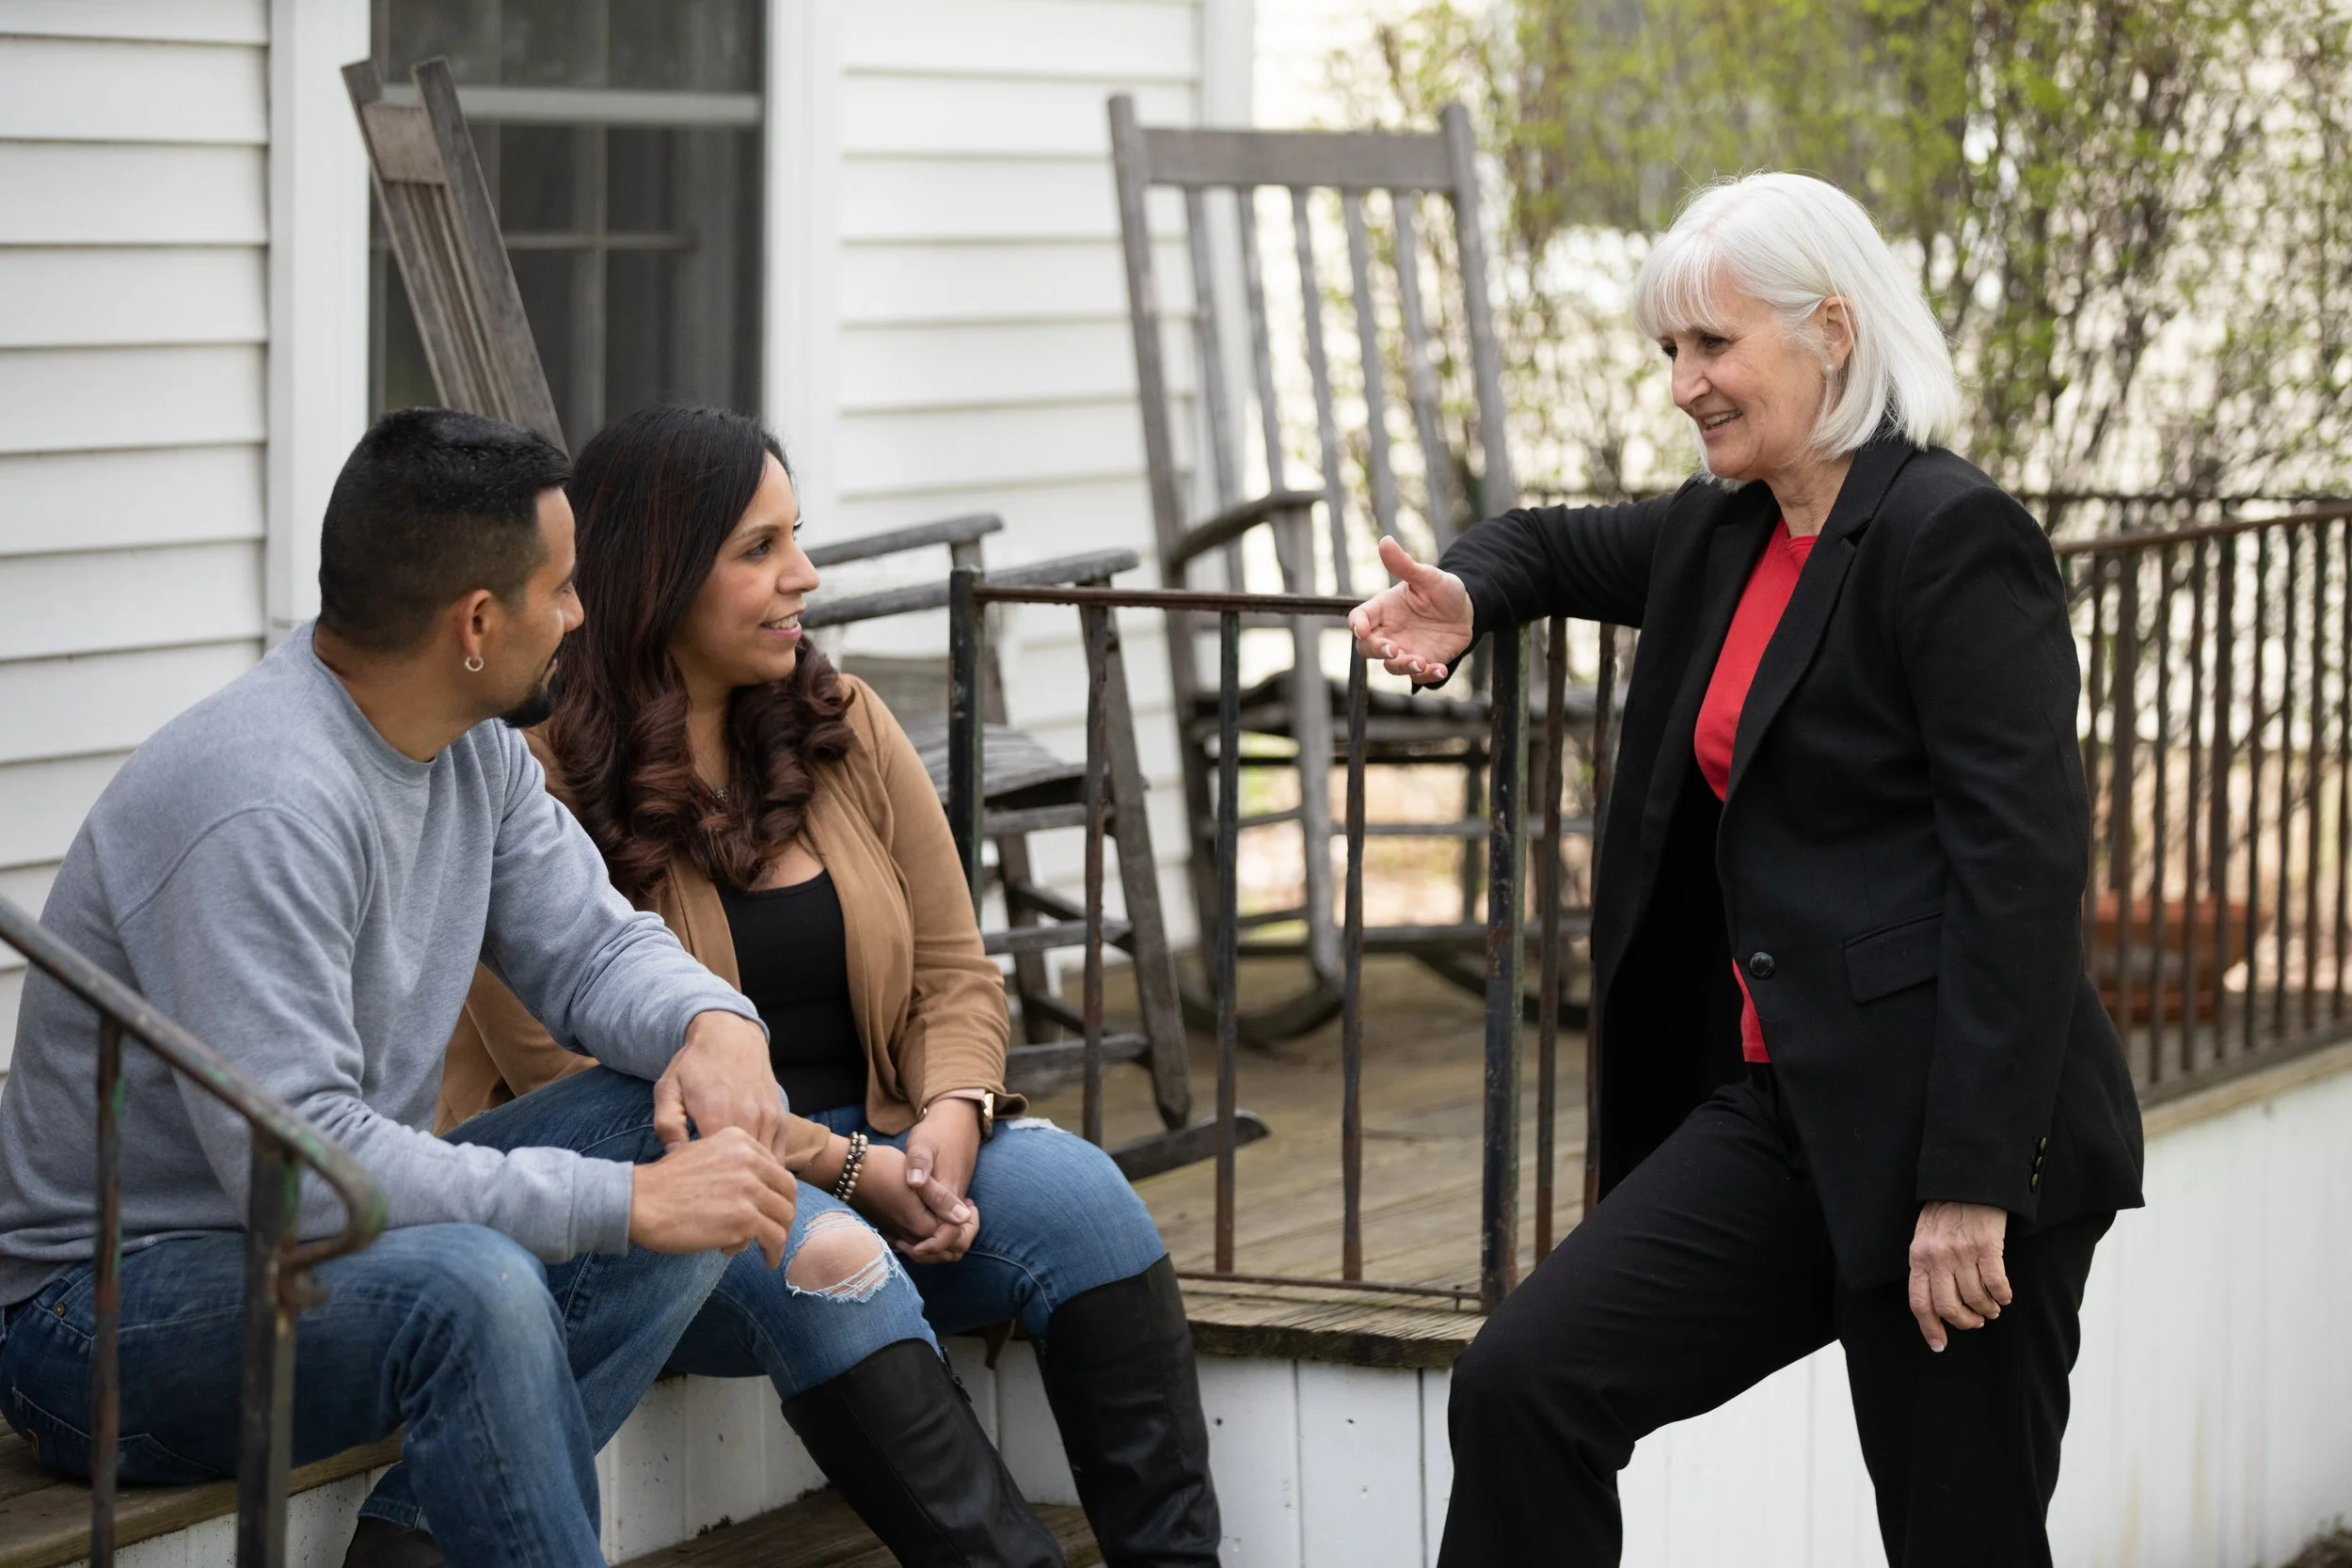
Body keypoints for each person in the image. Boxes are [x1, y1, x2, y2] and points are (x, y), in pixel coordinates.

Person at [1350, 173, 2146, 1567]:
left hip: (1942, 1136)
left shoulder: (1950, 541)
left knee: (1961, 1539)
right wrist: (1469, 594)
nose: (1684, 384)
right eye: (1671, 351)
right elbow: (1541, 541)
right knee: (1527, 1381)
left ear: (1830, 329)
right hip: (1782, 1113)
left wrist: (1971, 1181)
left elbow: (2022, 877)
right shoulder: (1725, 527)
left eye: (1711, 346)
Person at [0, 409, 805, 1568]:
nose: (581, 613)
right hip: (109, 1315)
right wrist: (625, 1207)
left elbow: (587, 944)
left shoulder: (467, 737)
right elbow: (304, 1174)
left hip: (326, 1254)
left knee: (679, 1123)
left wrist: (711, 1018)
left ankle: (419, 1544)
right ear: (477, 622)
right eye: (563, 588)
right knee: (480, 1282)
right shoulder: (262, 803)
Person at [437, 404, 1220, 1567]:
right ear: (657, 570)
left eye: (794, 536)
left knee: (1084, 1199)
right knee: (825, 1258)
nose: (801, 575)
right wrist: (858, 1172)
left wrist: (953, 1115)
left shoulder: (839, 721)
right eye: (757, 549)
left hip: (891, 1136)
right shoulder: (522, 783)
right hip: (667, 1193)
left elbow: (957, 970)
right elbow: (595, 1085)